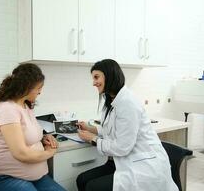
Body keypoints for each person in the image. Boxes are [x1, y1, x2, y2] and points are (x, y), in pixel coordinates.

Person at [76, 59, 178, 191]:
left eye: (96, 77)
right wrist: (91, 129)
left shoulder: (128, 103)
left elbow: (122, 147)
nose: (93, 83)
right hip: (124, 162)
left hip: (144, 167)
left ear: (109, 76)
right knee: (82, 180)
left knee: (92, 187)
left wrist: (93, 139)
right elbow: (112, 129)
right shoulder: (112, 100)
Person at [0, 63, 66, 191]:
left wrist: (43, 138)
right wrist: (49, 152)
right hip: (4, 178)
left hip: (36, 178)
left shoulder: (25, 106)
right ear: (27, 87)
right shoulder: (7, 109)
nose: (40, 92)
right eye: (39, 88)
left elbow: (27, 135)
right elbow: (21, 154)